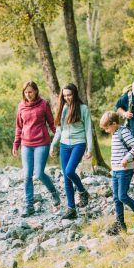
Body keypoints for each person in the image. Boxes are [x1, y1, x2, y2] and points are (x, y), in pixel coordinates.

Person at [13, 81, 60, 217]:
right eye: (26, 92)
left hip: (41, 143)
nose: (28, 94)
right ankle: (29, 206)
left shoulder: (44, 104)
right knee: (27, 175)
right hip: (26, 144)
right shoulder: (21, 106)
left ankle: (53, 192)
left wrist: (58, 139)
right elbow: (19, 127)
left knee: (39, 174)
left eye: (30, 92)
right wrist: (16, 144)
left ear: (36, 91)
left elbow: (52, 123)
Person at [99, 111, 134, 235]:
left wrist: (126, 158)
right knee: (116, 198)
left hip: (125, 170)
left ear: (114, 124)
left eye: (107, 128)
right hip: (116, 171)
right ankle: (120, 224)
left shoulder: (123, 132)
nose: (106, 131)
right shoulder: (115, 133)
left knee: (122, 196)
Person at [50, 83, 92, 220]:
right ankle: (71, 209)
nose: (67, 98)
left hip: (78, 143)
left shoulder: (83, 108)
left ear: (75, 94)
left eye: (70, 95)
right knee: (66, 176)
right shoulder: (62, 108)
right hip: (64, 144)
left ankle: (82, 191)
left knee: (69, 171)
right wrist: (53, 145)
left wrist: (90, 148)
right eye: (65, 95)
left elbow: (88, 129)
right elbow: (59, 130)